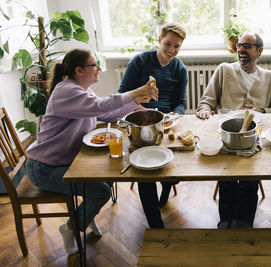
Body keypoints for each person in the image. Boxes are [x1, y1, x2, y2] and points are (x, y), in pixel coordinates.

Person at [25, 49, 158, 255]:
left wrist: (134, 102)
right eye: (94, 65)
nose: (99, 69)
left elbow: (104, 113)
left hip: (67, 160)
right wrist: (133, 93)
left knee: (108, 177)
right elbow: (99, 105)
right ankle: (70, 227)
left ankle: (84, 216)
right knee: (101, 191)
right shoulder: (65, 91)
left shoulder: (81, 89)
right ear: (79, 70)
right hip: (44, 168)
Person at [196, 33, 271, 228]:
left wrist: (261, 110)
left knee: (249, 180)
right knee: (226, 179)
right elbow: (206, 101)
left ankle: (243, 223)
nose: (241, 49)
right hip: (225, 137)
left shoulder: (269, 77)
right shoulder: (224, 70)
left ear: (259, 50)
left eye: (247, 46)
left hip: (252, 139)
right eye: (239, 45)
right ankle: (226, 221)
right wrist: (203, 111)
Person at [118, 23, 187, 228]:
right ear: (159, 39)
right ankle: (156, 227)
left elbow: (180, 102)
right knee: (144, 173)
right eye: (168, 44)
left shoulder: (180, 69)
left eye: (177, 47)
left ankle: (166, 189)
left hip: (166, 123)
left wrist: (176, 114)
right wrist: (142, 110)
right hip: (140, 120)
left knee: (178, 166)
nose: (171, 50)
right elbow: (122, 94)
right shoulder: (140, 61)